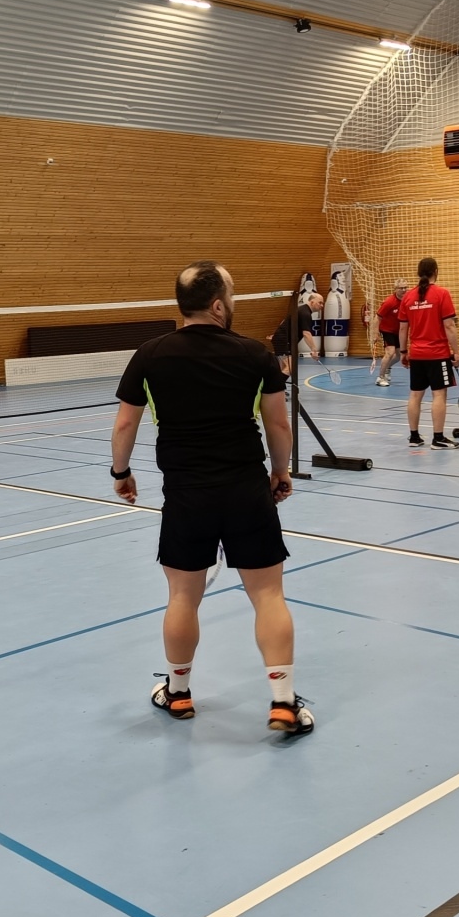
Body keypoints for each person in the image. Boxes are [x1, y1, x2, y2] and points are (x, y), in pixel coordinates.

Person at [110, 261, 313, 736]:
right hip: (246, 491)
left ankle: (178, 693)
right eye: (233, 293)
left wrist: (121, 472)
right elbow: (278, 424)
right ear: (219, 305)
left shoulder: (149, 355)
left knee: (183, 596)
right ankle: (283, 703)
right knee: (268, 595)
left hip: (186, 497)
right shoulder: (255, 355)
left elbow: (124, 424)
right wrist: (280, 471)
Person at [399, 257, 459, 449]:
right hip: (437, 354)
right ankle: (438, 438)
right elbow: (449, 326)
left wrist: (403, 351)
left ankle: (414, 437)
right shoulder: (442, 294)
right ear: (436, 271)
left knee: (415, 395)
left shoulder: (408, 297)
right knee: (439, 394)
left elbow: (402, 328)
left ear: (419, 273)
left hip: (417, 354)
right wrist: (456, 352)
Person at [271, 291, 324, 375]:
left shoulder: (301, 309)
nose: (322, 305)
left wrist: (277, 334)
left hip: (282, 340)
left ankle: (277, 383)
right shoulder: (305, 313)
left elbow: (284, 321)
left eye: (322, 303)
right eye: (320, 303)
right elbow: (306, 334)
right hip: (284, 342)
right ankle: (277, 383)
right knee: (290, 368)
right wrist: (314, 350)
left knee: (283, 368)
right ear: (312, 302)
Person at [375, 281, 409, 386]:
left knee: (398, 356)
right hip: (387, 330)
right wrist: (375, 333)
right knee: (390, 352)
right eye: (401, 288)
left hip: (398, 331)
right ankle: (380, 377)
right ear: (395, 289)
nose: (404, 290)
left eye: (405, 287)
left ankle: (388, 367)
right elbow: (377, 317)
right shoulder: (389, 302)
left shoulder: (407, 300)